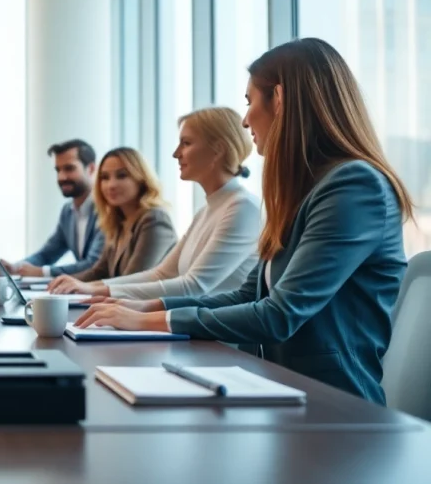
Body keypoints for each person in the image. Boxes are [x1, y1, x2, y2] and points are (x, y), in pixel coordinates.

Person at [74, 38, 413, 405]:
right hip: (281, 391)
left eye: (250, 102)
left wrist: (149, 323)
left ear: (280, 100)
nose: (245, 118)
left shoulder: (354, 187)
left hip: (336, 407)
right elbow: (246, 296)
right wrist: (147, 308)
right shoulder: (300, 193)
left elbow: (279, 314)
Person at [49, 108, 260, 298]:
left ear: (218, 150)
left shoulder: (242, 207)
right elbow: (162, 273)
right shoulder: (206, 211)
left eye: (186, 143)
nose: (176, 153)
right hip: (195, 332)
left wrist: (98, 290)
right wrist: (93, 287)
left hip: (218, 341)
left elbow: (194, 286)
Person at [45, 147, 176, 289]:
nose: (111, 185)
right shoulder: (117, 221)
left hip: (154, 309)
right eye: (105, 177)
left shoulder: (155, 219)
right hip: (125, 306)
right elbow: (99, 271)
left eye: (122, 175)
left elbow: (134, 279)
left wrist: (84, 286)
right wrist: (63, 283)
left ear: (141, 179)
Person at [0, 139, 105, 278]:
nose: (61, 177)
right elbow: (46, 254)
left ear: (91, 168)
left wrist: (42, 272)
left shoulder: (106, 210)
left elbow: (93, 264)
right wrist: (15, 267)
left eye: (69, 168)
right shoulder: (68, 212)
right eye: (58, 170)